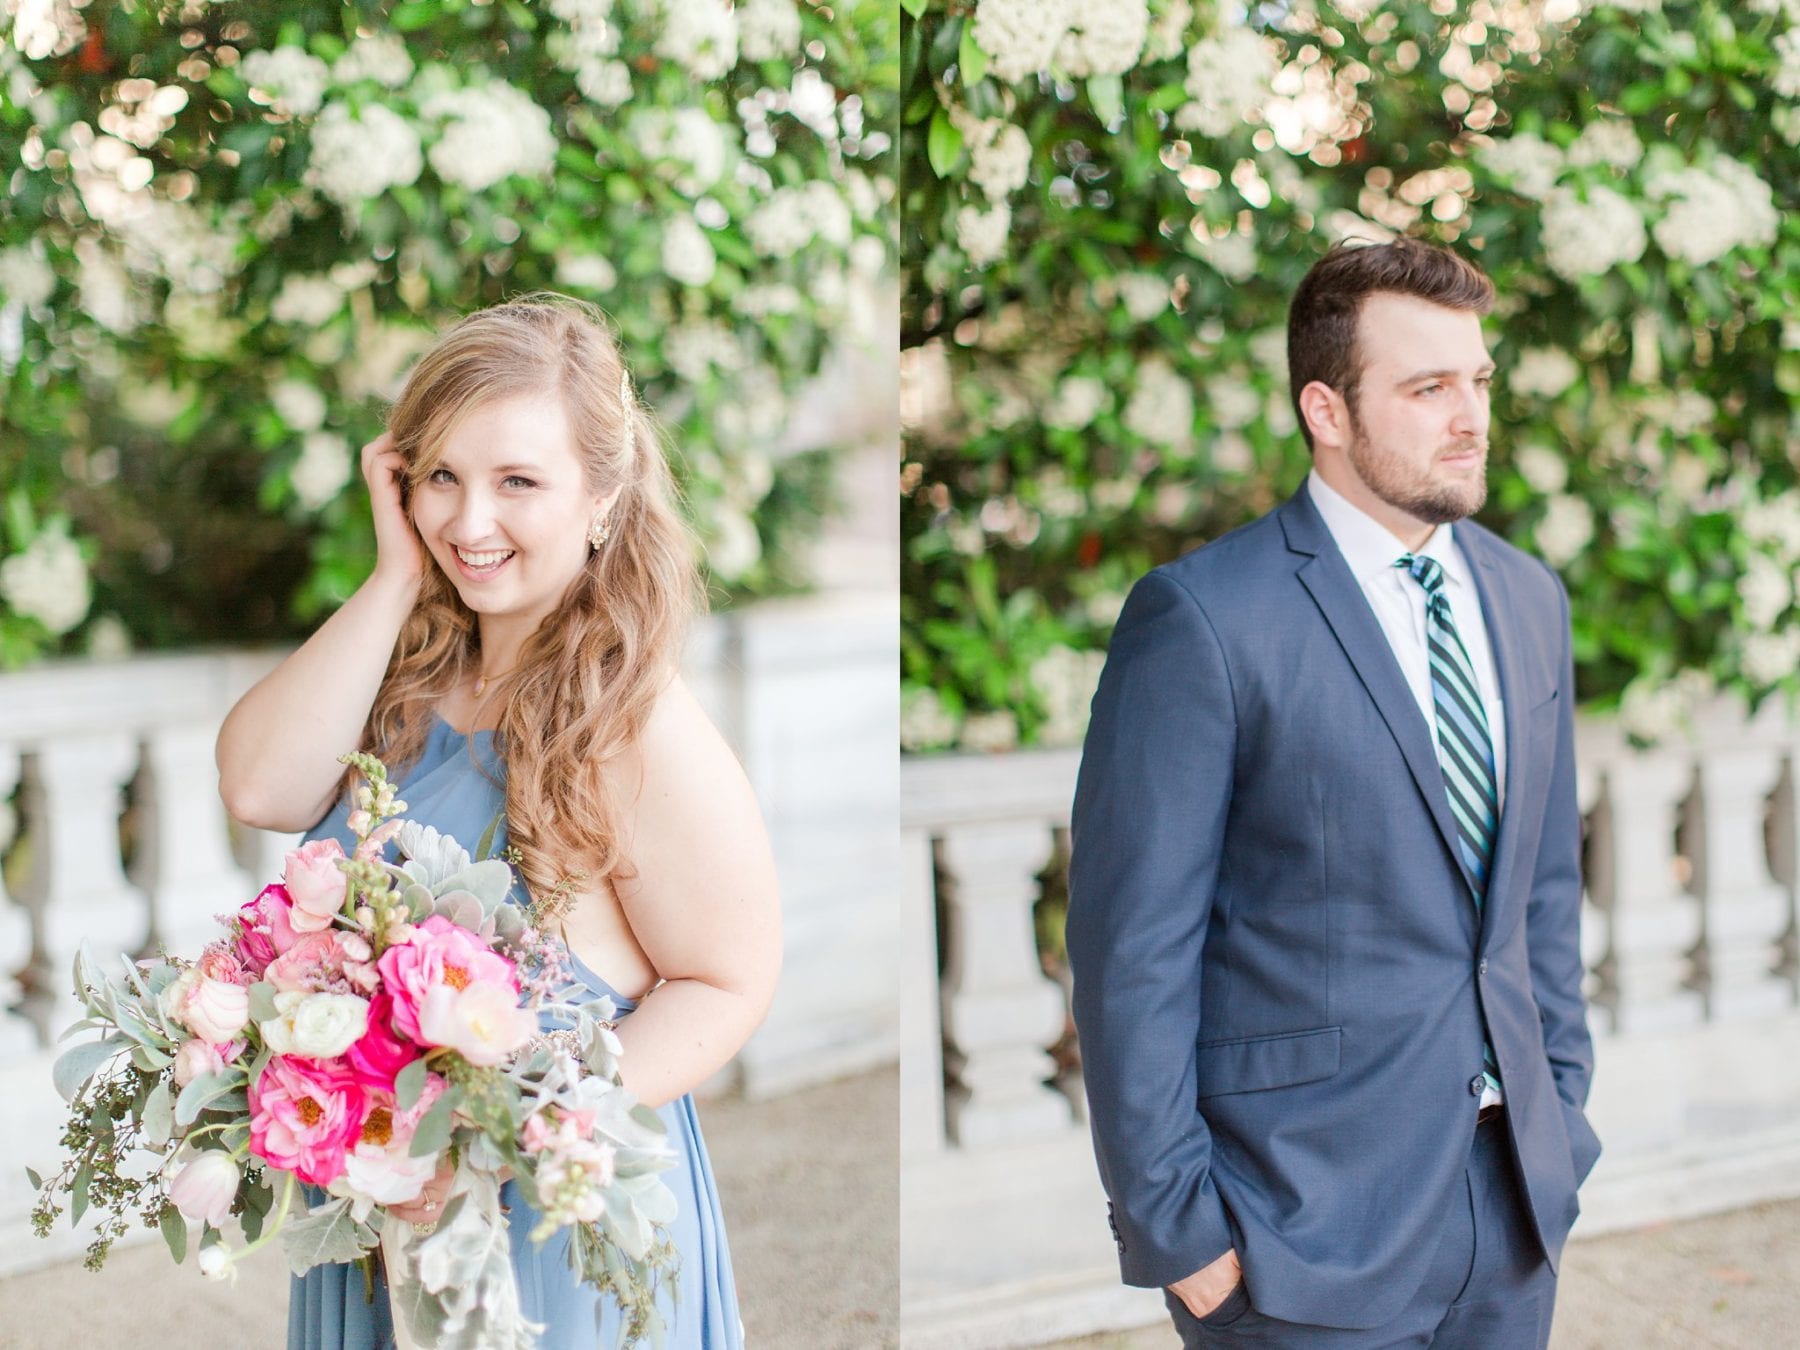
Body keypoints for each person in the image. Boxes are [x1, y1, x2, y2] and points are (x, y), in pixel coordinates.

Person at [216, 295, 781, 1349]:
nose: (470, 524)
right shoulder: (402, 682)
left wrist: (511, 1125)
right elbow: (257, 788)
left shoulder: (635, 719)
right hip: (379, 1219)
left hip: (546, 1231)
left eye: (518, 481)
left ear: (602, 497)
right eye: (441, 477)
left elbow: (729, 980)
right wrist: (394, 574)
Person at [1066, 239, 1600, 1349]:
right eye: (1428, 388)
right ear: (1327, 408)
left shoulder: (1526, 599)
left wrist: (1563, 1121)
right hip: (1293, 1237)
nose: (1472, 418)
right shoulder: (1203, 620)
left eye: (1479, 382)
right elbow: (1132, 953)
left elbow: (1543, 896)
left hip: (1510, 1216)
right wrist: (1186, 1239)